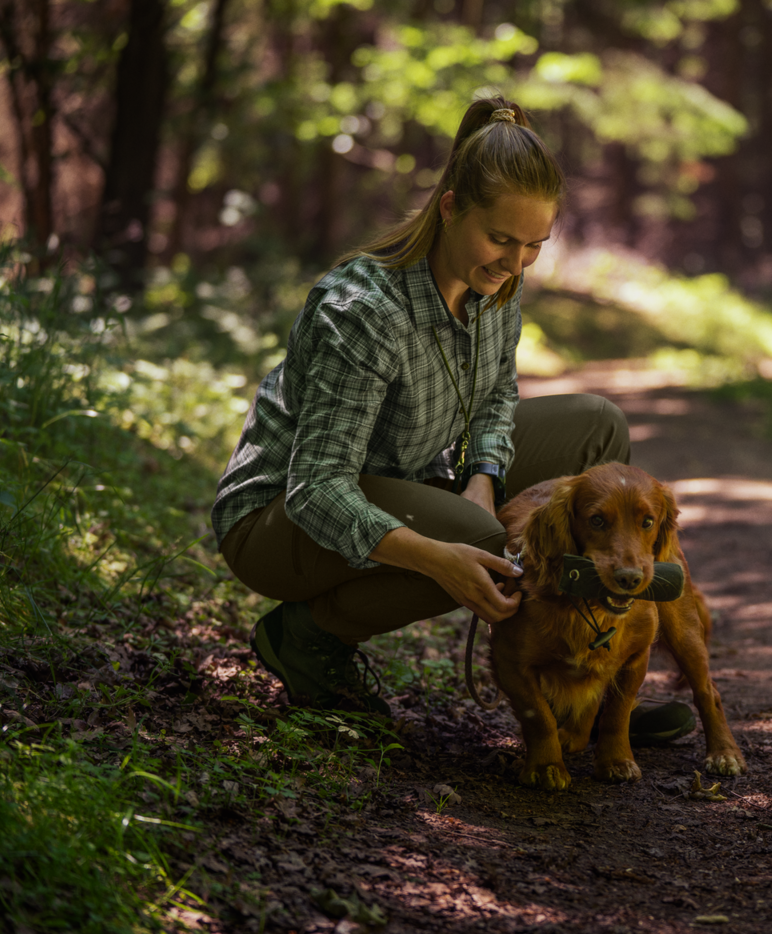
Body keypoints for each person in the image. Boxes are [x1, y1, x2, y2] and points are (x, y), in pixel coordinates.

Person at [211, 96, 692, 744]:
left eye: (534, 246)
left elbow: (496, 399)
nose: (515, 263)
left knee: (597, 429)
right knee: (483, 543)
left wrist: (484, 476)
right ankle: (307, 638)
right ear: (449, 207)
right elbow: (317, 488)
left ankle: (592, 680)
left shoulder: (497, 288)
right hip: (279, 523)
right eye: (501, 239)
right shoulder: (363, 310)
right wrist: (441, 559)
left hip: (407, 478)